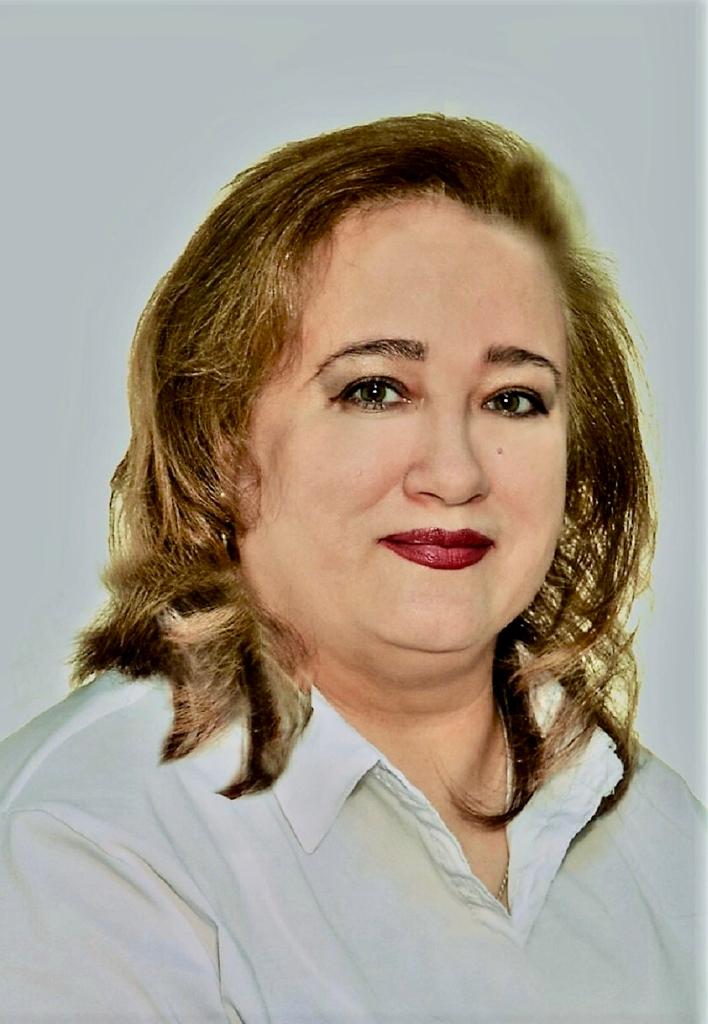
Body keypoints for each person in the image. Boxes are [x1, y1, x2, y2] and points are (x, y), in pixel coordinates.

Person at [0, 113, 704, 1023]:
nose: (455, 473)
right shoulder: (87, 841)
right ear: (220, 443)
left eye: (513, 399)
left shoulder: (658, 831)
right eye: (375, 390)